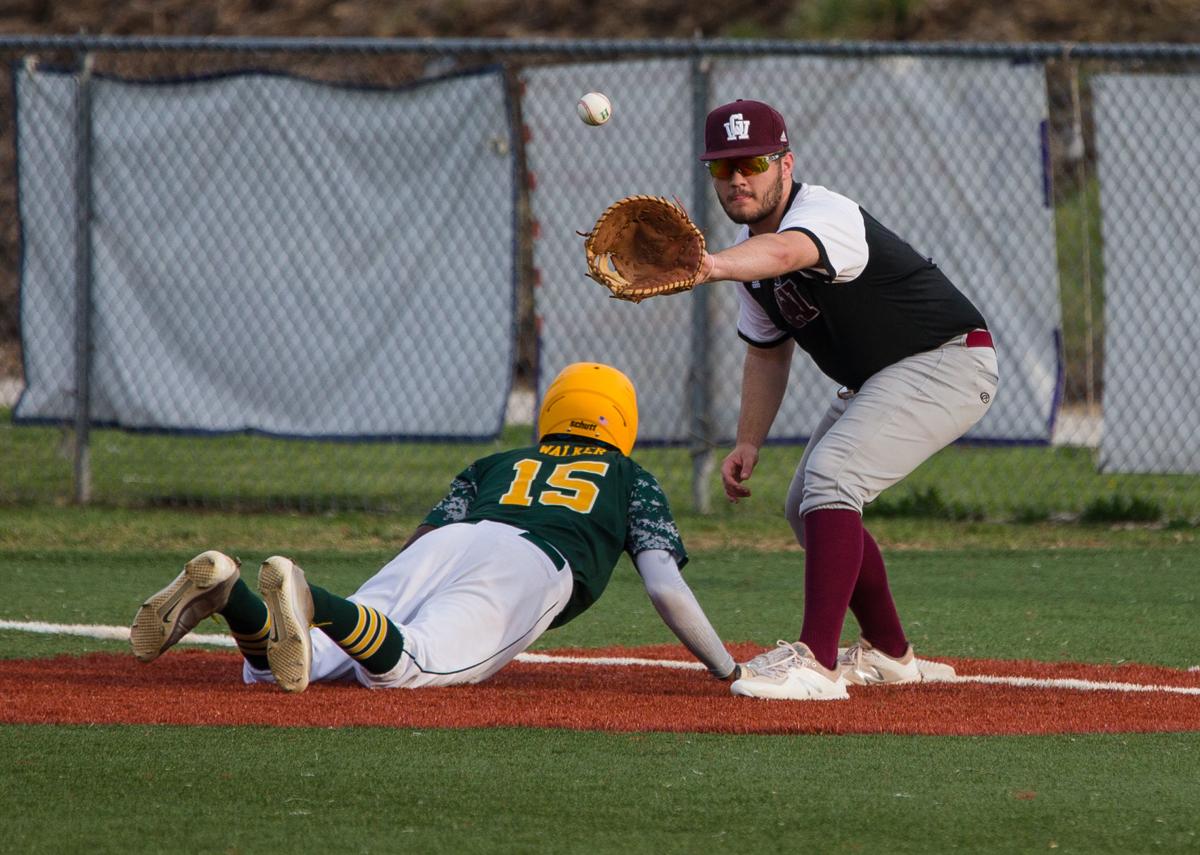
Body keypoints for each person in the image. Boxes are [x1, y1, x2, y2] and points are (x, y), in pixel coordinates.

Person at [130, 362, 737, 691]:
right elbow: (664, 587)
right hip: (534, 562)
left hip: (453, 541)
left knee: (293, 664)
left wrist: (402, 587)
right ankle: (315, 599)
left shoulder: (498, 462)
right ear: (624, 423)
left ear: (551, 412)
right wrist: (726, 668)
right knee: (409, 666)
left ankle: (229, 590)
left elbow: (425, 540)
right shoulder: (631, 477)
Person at [694, 99, 998, 701]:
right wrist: (749, 440)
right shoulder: (747, 263)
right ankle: (889, 653)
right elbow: (767, 353)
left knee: (833, 477)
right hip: (882, 377)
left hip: (948, 358)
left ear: (786, 164)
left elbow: (788, 253)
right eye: (723, 167)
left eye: (753, 162)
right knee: (804, 506)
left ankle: (818, 661)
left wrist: (710, 266)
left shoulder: (824, 212)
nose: (738, 179)